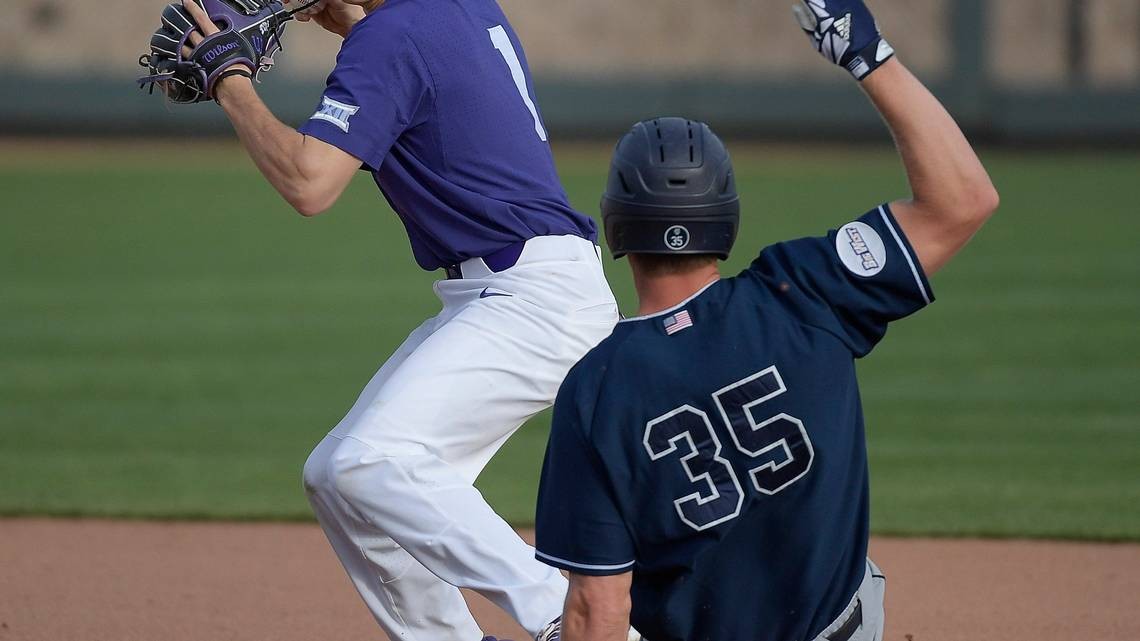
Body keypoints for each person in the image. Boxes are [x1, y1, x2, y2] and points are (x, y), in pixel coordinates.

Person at [532, 2, 1000, 640]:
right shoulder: (803, 291)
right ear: (725, 217)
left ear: (617, 224)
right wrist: (864, 52)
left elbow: (598, 608)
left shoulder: (595, 390)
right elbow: (964, 199)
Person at [175, 0, 619, 639]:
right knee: (335, 475)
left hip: (533, 300)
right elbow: (430, 77)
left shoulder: (391, 37)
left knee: (369, 462)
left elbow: (310, 184)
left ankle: (569, 617)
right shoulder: (451, 11)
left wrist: (230, 80)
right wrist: (357, 23)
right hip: (524, 287)